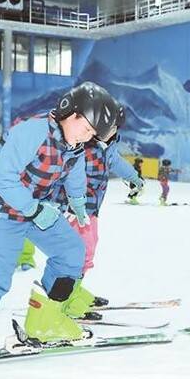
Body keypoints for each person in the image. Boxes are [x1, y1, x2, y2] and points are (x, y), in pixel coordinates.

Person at [0, 82, 121, 378]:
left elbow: (74, 172)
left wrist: (77, 203)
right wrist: (33, 209)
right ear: (68, 113)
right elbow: (2, 178)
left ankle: (45, 320)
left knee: (72, 251)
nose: (88, 138)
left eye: (92, 135)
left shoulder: (74, 146)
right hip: (3, 208)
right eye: (86, 129)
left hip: (38, 208)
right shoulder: (31, 133)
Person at [57, 102, 143, 320]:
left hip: (91, 209)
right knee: (79, 252)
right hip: (76, 209)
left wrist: (133, 177)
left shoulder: (108, 145)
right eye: (110, 127)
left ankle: (74, 290)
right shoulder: (82, 144)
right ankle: (68, 300)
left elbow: (116, 161)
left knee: (87, 248)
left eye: (115, 128)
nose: (112, 132)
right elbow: (64, 171)